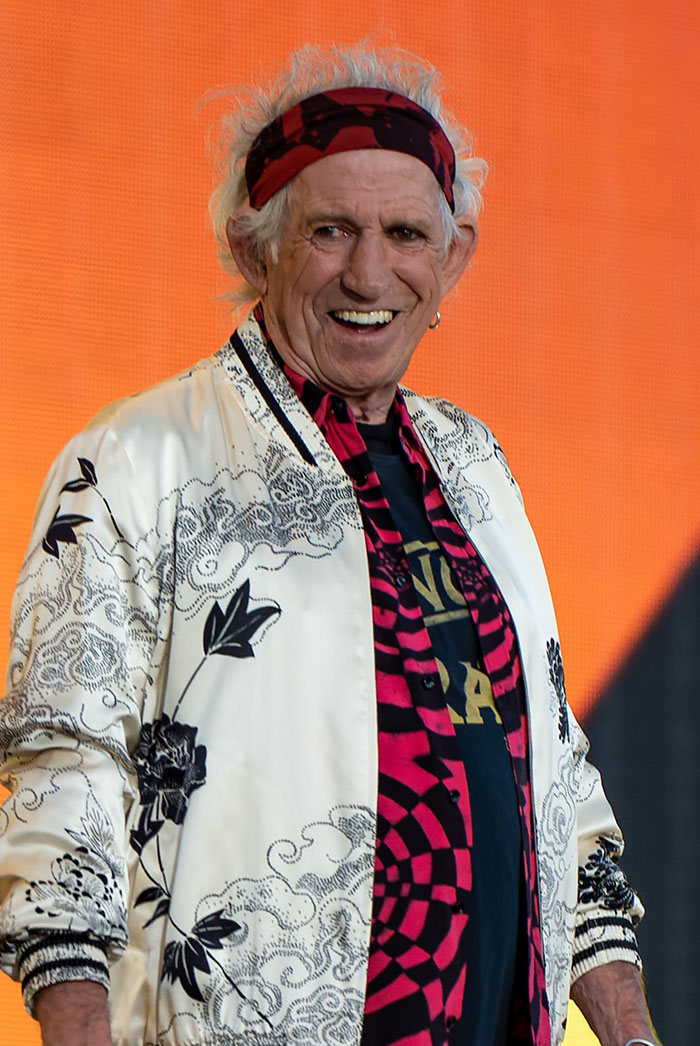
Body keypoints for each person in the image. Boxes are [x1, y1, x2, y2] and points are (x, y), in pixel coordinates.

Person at [0, 42, 657, 1046]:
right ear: (251, 246)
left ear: (452, 258)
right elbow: (63, 773)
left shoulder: (476, 465)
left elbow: (558, 774)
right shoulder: (136, 459)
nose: (368, 271)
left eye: (403, 233)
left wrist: (628, 1024)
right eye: (329, 231)